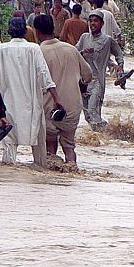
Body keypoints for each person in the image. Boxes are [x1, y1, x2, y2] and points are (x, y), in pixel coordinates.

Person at [0, 17, 62, 166]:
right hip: (32, 105)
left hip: (8, 106)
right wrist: (56, 98)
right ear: (25, 31)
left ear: (9, 31)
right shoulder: (34, 48)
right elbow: (45, 75)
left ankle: (10, 178)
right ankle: (40, 169)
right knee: (38, 143)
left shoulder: (0, 50)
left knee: (9, 148)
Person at [34, 14, 92, 167]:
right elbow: (88, 75)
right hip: (72, 107)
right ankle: (72, 168)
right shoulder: (71, 49)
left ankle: (54, 182)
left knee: (50, 147)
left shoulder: (38, 53)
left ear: (37, 31)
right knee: (69, 145)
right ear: (53, 28)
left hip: (49, 107)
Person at [77, 10, 125, 131]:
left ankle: (109, 133)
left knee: (93, 112)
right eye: (91, 21)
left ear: (102, 24)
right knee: (88, 116)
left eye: (96, 21)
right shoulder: (84, 37)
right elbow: (74, 53)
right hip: (83, 83)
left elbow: (119, 54)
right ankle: (107, 133)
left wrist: (120, 68)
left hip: (97, 81)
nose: (93, 23)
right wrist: (83, 52)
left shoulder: (107, 40)